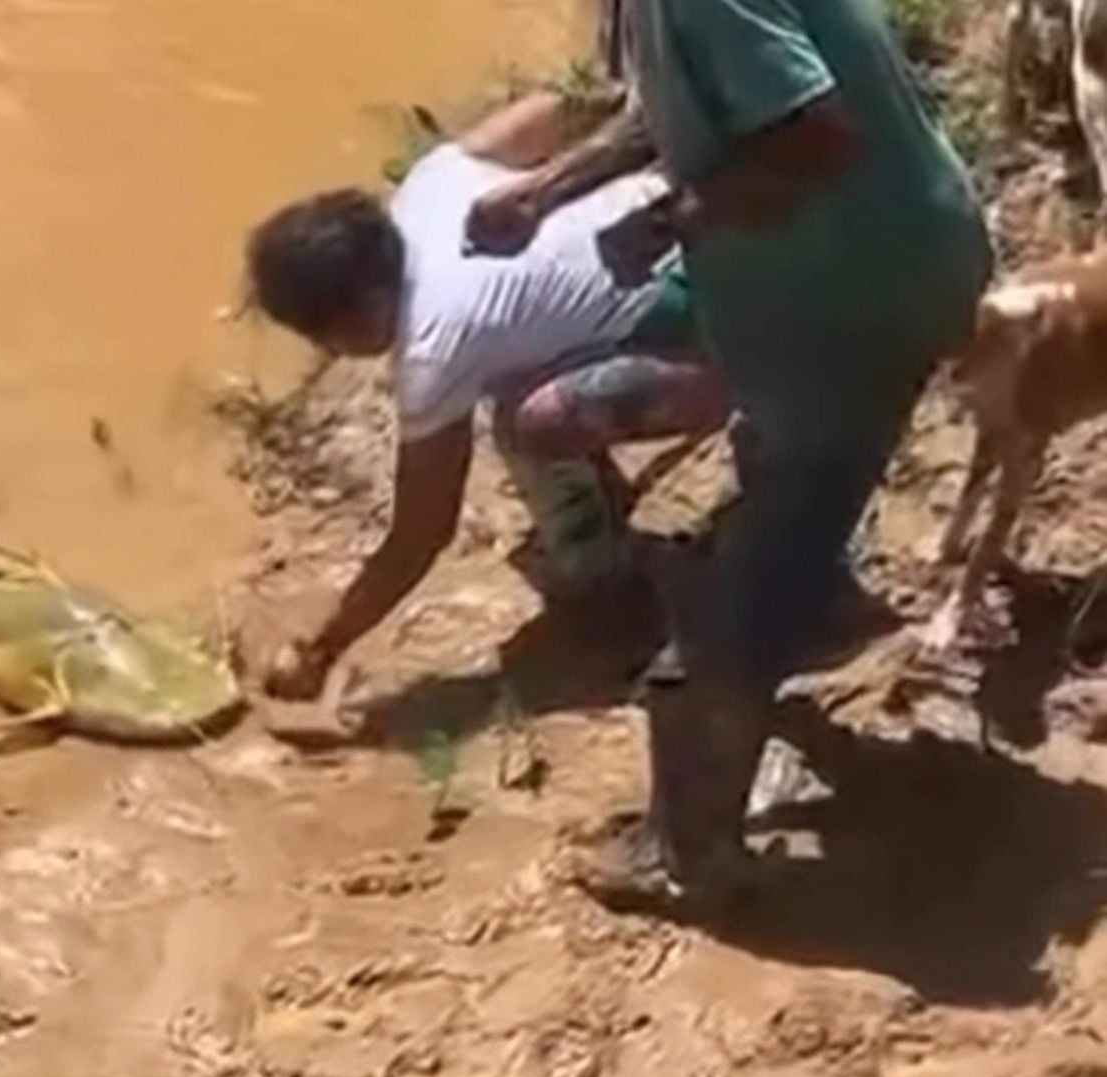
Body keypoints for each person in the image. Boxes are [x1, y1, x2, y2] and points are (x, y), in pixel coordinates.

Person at [466, 0, 994, 905]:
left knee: (741, 588)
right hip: (836, 271)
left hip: (859, 292)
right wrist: (548, 189)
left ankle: (691, 853)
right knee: (784, 480)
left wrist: (678, 215)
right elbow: (697, 109)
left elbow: (815, 133)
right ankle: (817, 604)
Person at [247, 89, 730, 703]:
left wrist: (320, 648)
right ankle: (607, 505)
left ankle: (611, 582)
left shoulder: (433, 349)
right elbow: (553, 109)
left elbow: (422, 534)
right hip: (705, 221)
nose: (329, 351)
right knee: (525, 372)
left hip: (732, 329)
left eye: (325, 336)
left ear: (365, 309)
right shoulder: (428, 186)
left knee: (528, 427)